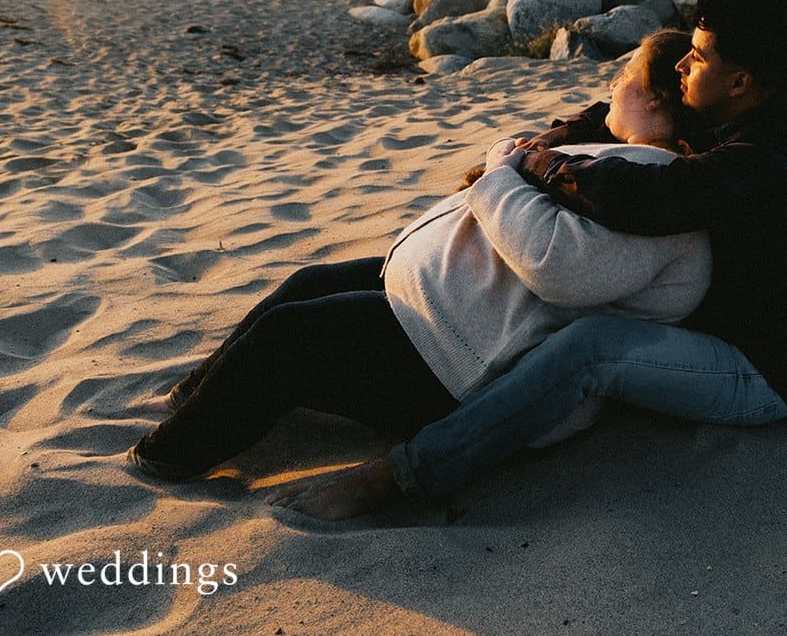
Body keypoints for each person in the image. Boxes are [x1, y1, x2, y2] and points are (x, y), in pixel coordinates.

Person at [269, 0, 787, 520]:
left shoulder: (772, 157)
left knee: (590, 348)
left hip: (758, 370)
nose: (681, 65)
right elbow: (619, 107)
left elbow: (647, 197)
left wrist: (537, 167)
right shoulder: (747, 111)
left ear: (740, 80)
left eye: (696, 58)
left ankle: (401, 478)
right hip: (701, 330)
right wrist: (548, 139)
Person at [126, 30, 714, 482]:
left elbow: (558, 266)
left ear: (658, 97)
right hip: (446, 316)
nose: (611, 85)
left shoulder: (660, 195)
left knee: (288, 338)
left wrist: (496, 176)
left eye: (624, 75)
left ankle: (160, 461)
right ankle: (195, 397)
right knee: (308, 284)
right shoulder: (628, 162)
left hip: (462, 367)